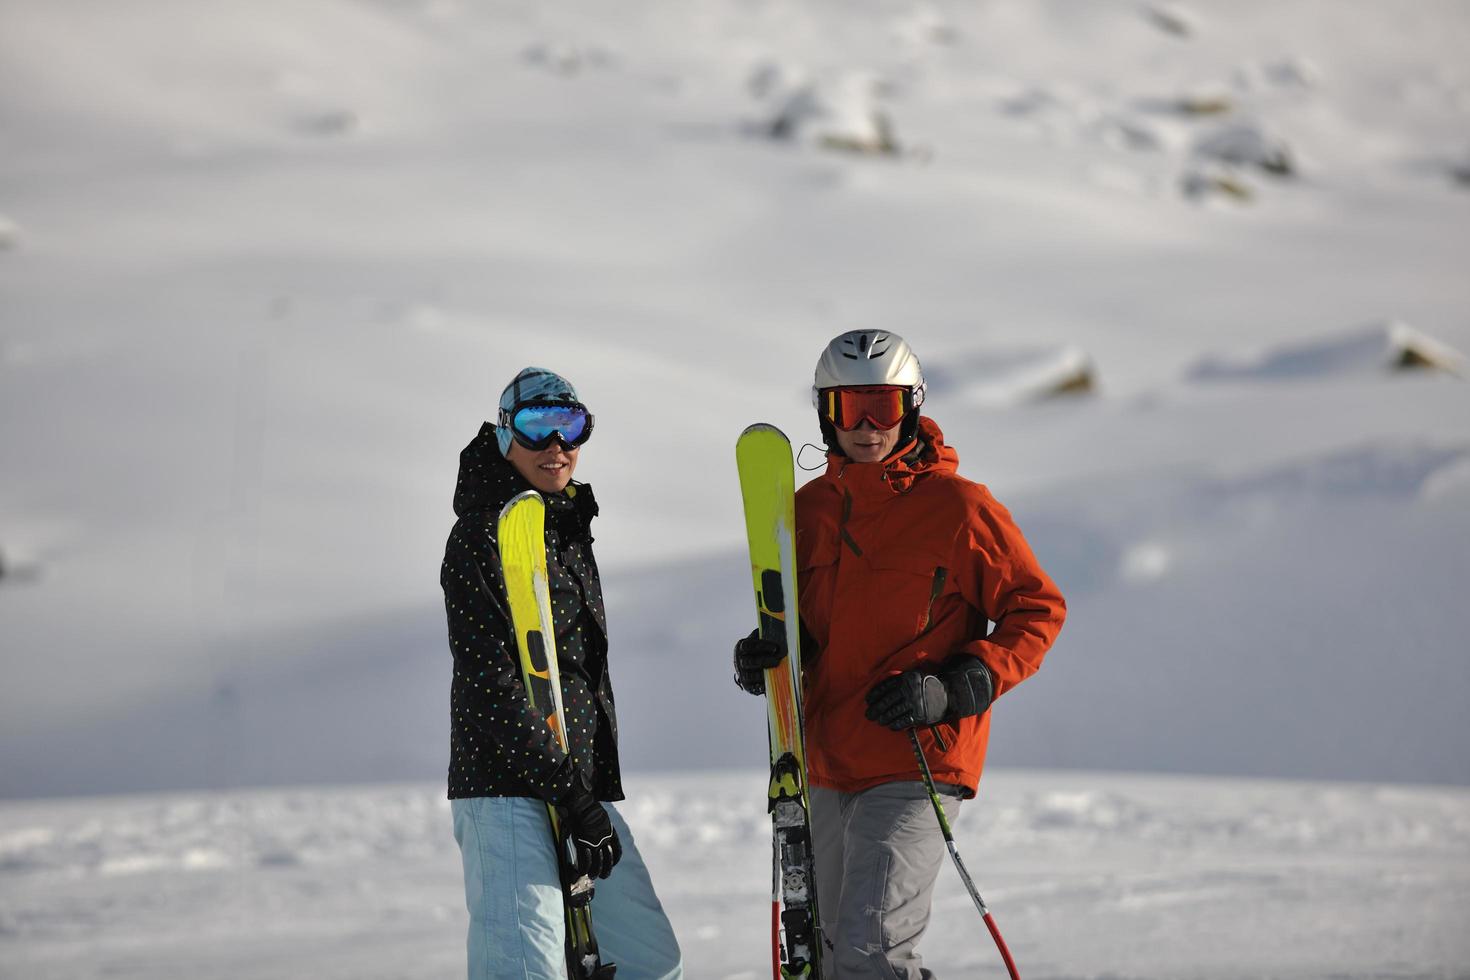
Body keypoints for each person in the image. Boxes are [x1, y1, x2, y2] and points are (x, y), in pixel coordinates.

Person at [733, 331, 1066, 979]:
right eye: (848, 407)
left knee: (871, 948)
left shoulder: (959, 507)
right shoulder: (807, 512)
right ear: (825, 412)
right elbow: (799, 629)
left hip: (920, 757)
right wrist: (763, 658)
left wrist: (956, 687)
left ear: (910, 407)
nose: (865, 426)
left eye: (881, 407)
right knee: (824, 953)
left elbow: (1037, 609)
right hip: (827, 758)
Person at [442, 366, 683, 980]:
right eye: (535, 428)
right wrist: (567, 790)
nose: (556, 447)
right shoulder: (479, 534)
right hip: (507, 788)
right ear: (503, 435)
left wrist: (582, 792)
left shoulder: (566, 529)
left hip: (578, 786)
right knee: (524, 970)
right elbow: (486, 682)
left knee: (650, 961)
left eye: (570, 429)